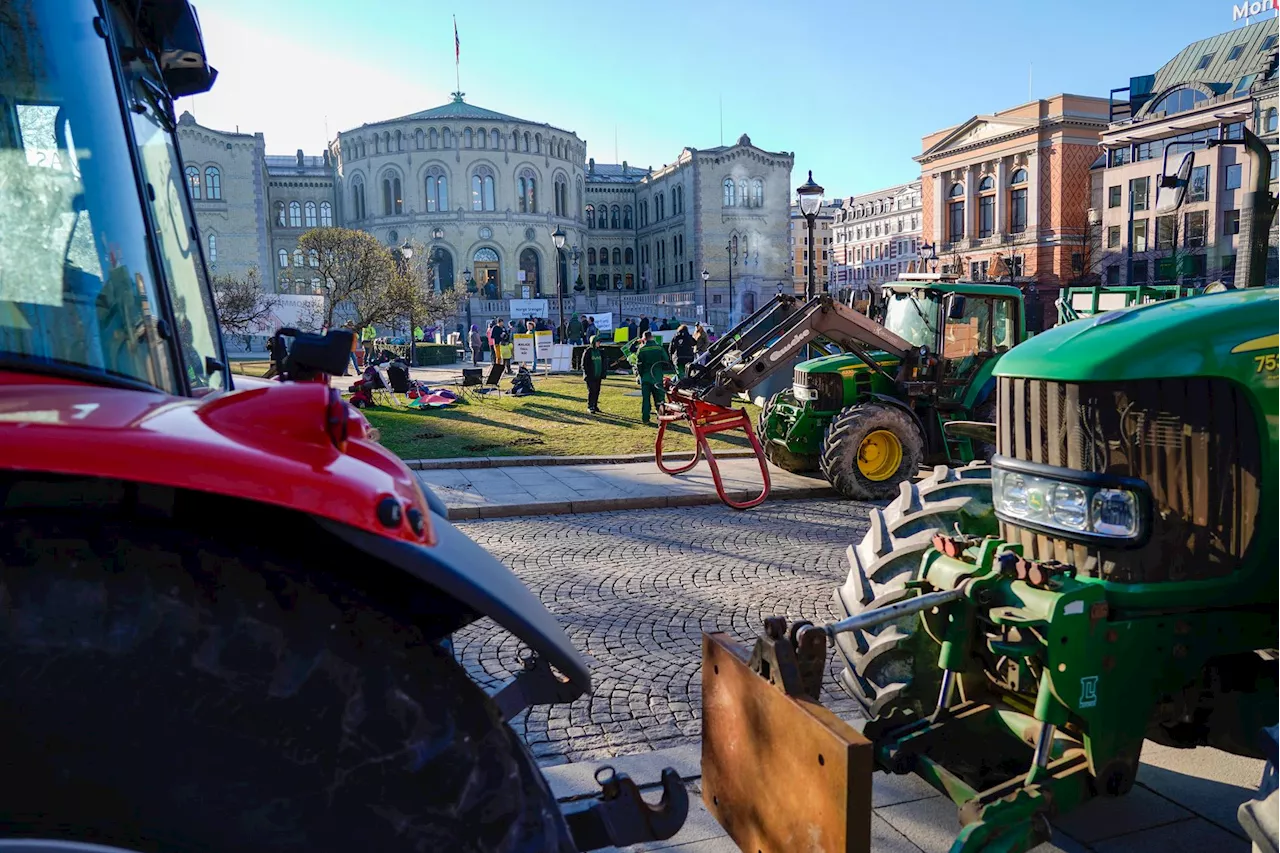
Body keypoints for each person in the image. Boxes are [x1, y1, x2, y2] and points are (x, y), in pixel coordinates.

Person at [635, 331, 671, 425]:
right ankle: (662, 418)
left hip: (646, 378)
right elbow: (666, 360)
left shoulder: (641, 349)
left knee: (646, 399)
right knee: (660, 399)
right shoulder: (659, 348)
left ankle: (645, 419)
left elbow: (639, 365)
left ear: (644, 338)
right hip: (657, 376)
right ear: (652, 337)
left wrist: (641, 375)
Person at [581, 334, 608, 414]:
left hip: (598, 376)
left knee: (597, 390)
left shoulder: (600, 351)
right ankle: (590, 406)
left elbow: (604, 362)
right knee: (592, 391)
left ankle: (595, 405)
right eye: (597, 342)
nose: (599, 343)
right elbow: (584, 364)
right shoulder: (588, 352)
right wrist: (587, 375)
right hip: (590, 376)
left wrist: (603, 373)